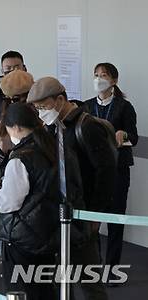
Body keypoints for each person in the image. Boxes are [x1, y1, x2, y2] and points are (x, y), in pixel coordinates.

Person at [27, 77, 116, 300]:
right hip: (56, 216)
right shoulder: (50, 128)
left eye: (44, 106)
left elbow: (106, 173)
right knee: (59, 282)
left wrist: (95, 214)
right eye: (37, 108)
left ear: (60, 99)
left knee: (89, 281)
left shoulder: (87, 127)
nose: (41, 112)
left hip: (82, 214)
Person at [0, 103, 59, 300]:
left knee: (21, 291)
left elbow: (9, 203)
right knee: (45, 290)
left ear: (17, 127)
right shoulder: (51, 147)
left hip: (22, 236)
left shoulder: (20, 159)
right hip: (47, 231)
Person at [82, 63, 138, 282]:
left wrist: (123, 135)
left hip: (118, 169)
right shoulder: (86, 106)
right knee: (92, 221)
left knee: (115, 219)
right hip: (93, 170)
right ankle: (93, 267)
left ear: (113, 80)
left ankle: (113, 269)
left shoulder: (124, 107)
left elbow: (133, 137)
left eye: (103, 75)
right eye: (95, 75)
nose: (98, 79)